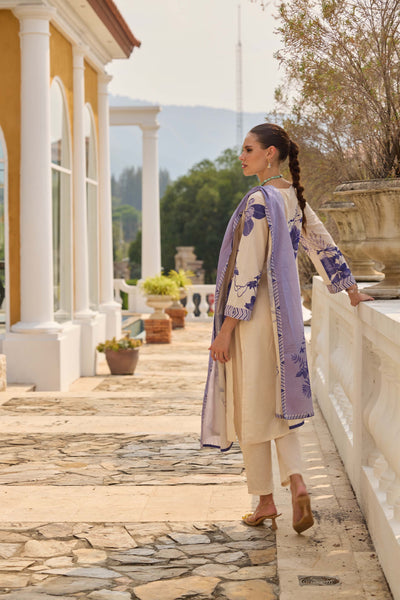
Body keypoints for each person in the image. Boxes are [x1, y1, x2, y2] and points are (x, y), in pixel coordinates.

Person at [201, 123, 373, 534]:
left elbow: (246, 271)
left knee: (251, 405)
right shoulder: (293, 197)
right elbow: (322, 244)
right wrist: (351, 289)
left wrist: (226, 330)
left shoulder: (259, 201)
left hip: (254, 317)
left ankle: (267, 498)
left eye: (248, 149)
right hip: (287, 317)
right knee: (277, 404)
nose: (241, 157)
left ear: (270, 153)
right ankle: (292, 484)